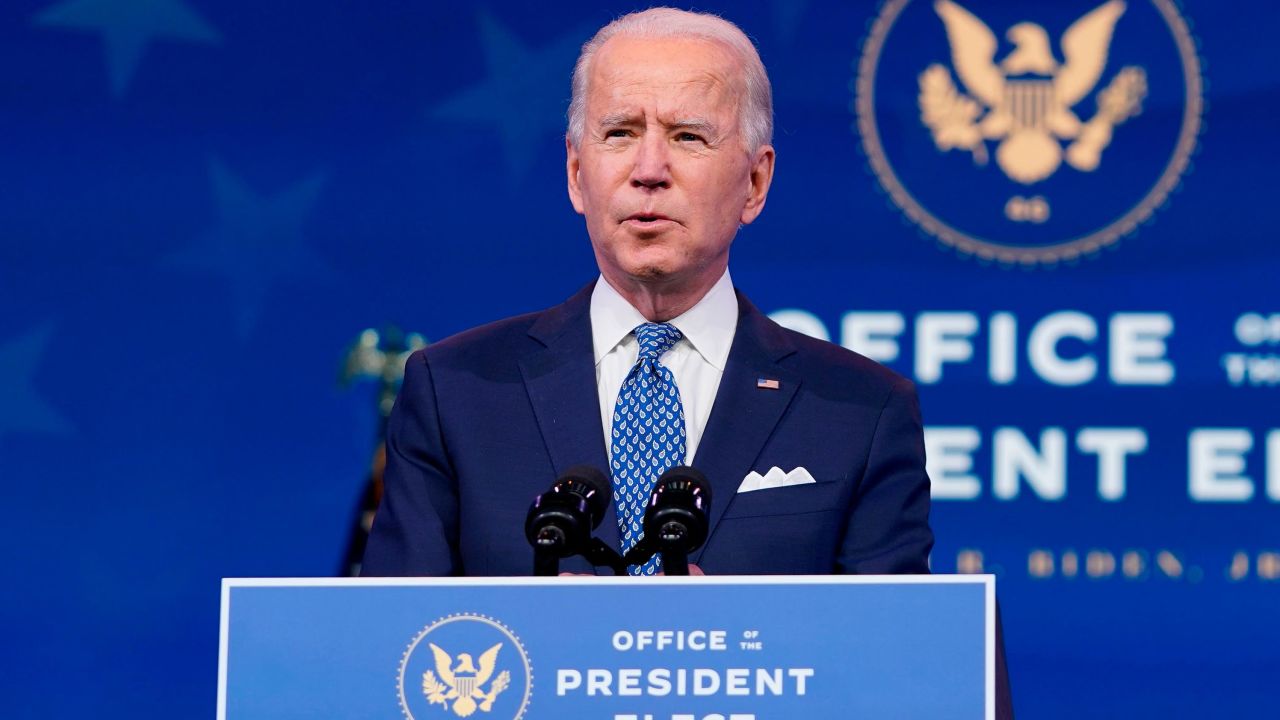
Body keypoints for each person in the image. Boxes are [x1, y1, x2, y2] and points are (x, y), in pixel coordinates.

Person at [364, 7, 1010, 713]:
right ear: (578, 175)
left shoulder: (860, 411)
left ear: (755, 184)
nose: (648, 170)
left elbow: (902, 674)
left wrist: (736, 647)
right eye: (619, 134)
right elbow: (383, 666)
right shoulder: (457, 392)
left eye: (687, 137)